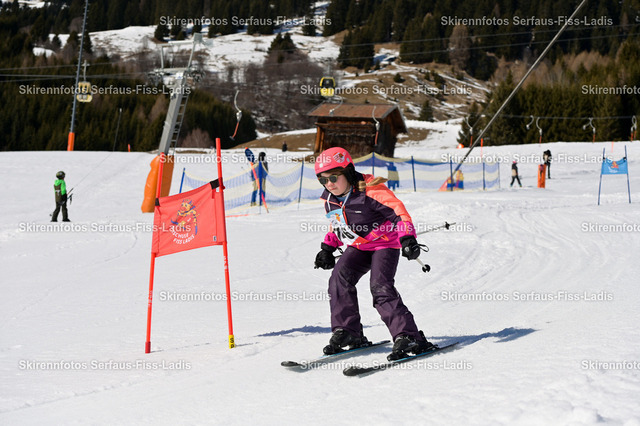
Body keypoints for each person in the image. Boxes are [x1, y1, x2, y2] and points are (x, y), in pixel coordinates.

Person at [313, 147, 435, 361]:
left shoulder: (370, 189)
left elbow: (399, 214)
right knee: (338, 279)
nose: (329, 184)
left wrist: (408, 238)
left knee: (380, 286)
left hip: (385, 244)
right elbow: (338, 225)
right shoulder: (330, 199)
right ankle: (348, 332)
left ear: (348, 172)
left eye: (333, 177)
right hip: (360, 245)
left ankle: (408, 335)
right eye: (323, 180)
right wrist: (327, 248)